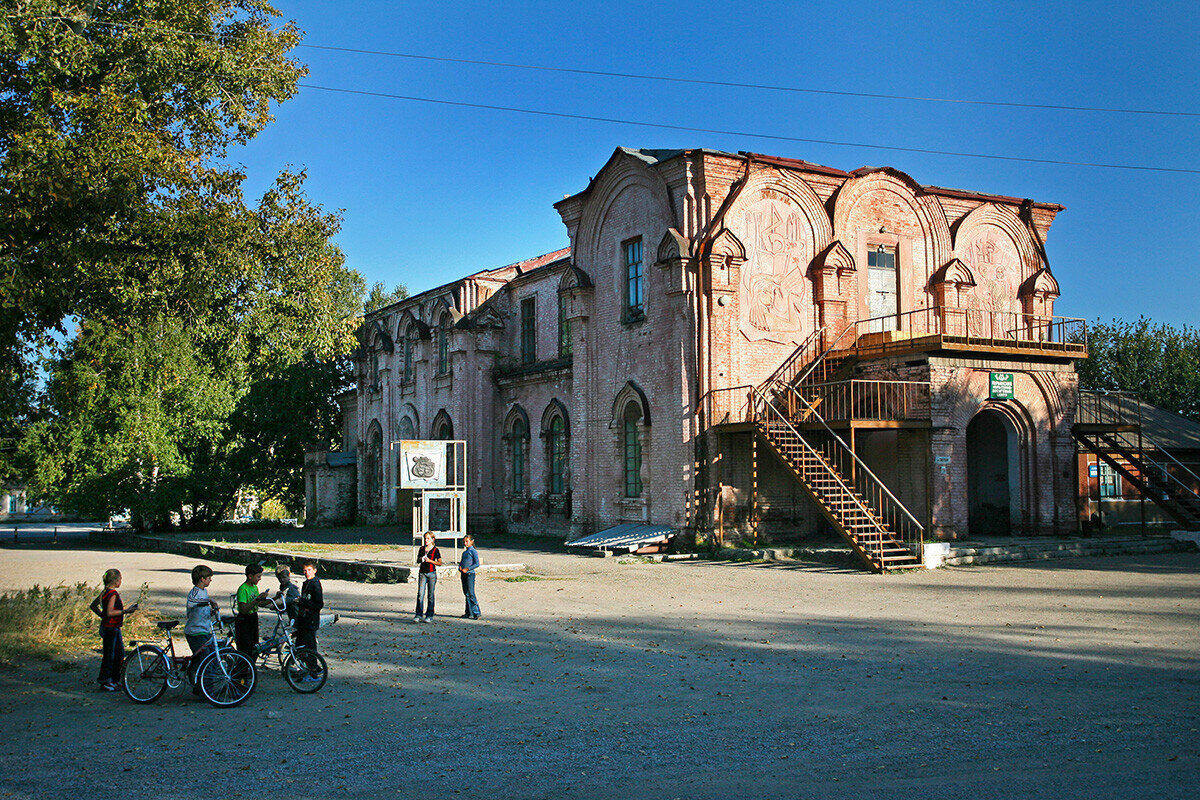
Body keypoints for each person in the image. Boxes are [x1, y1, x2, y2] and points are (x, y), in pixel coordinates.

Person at [94, 568, 137, 690]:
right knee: (111, 655)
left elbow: (94, 605)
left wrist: (101, 615)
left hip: (109, 627)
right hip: (111, 628)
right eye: (120, 579)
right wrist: (126, 611)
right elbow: (110, 611)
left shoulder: (105, 592)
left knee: (118, 654)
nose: (121, 581)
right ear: (116, 580)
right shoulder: (113, 594)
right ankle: (106, 680)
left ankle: (113, 679)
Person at [184, 564, 219, 689]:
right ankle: (206, 689)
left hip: (205, 629)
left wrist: (211, 612)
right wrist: (209, 601)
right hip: (195, 632)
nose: (210, 580)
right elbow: (191, 604)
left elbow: (202, 610)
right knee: (206, 660)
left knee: (213, 658)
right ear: (202, 579)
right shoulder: (195, 592)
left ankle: (203, 684)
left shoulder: (204, 592)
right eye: (209, 577)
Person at [234, 563, 271, 658]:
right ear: (250, 576)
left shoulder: (254, 587)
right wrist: (257, 599)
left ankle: (250, 669)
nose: (260, 579)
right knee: (245, 649)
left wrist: (274, 598)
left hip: (253, 618)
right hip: (244, 620)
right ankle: (242, 670)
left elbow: (260, 604)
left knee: (254, 647)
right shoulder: (243, 589)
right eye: (258, 576)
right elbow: (243, 609)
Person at [295, 560, 323, 653]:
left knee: (310, 645)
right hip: (303, 619)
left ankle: (313, 666)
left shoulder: (316, 584)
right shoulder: (306, 583)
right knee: (300, 644)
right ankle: (302, 663)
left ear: (314, 570)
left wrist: (302, 602)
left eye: (309, 570)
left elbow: (319, 604)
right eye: (305, 570)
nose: (307, 573)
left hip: (311, 620)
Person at [414, 531, 442, 623]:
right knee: (420, 594)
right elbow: (418, 560)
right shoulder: (422, 549)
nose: (426, 540)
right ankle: (418, 614)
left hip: (431, 573)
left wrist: (430, 561)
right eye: (425, 538)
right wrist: (421, 559)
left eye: (428, 538)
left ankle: (429, 614)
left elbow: (439, 563)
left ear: (432, 539)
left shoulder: (435, 550)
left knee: (430, 595)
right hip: (422, 573)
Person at [458, 534, 481, 620]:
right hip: (463, 573)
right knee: (466, 593)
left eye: (467, 541)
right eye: (464, 541)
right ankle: (468, 612)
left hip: (470, 574)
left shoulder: (473, 551)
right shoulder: (465, 552)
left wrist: (468, 569)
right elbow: (462, 562)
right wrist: (460, 567)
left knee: (471, 593)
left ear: (472, 541)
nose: (465, 543)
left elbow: (477, 563)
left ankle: (476, 612)